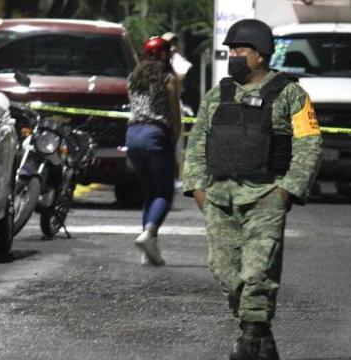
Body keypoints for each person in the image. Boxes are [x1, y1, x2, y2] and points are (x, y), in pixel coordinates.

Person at [182, 19, 322, 359]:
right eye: (231, 51)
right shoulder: (218, 94)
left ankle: (249, 339)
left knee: (258, 272)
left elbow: (309, 143)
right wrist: (198, 189)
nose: (234, 56)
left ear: (260, 55)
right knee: (225, 270)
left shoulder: (291, 93)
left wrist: (287, 191)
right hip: (219, 198)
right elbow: (197, 142)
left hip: (265, 196)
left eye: (240, 50)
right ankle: (261, 334)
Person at [126, 36, 181, 266]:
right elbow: (174, 114)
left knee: (150, 192)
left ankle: (148, 250)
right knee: (164, 193)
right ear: (164, 55)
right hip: (155, 136)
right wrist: (174, 142)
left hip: (132, 135)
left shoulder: (133, 78)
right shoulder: (168, 78)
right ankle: (149, 233)